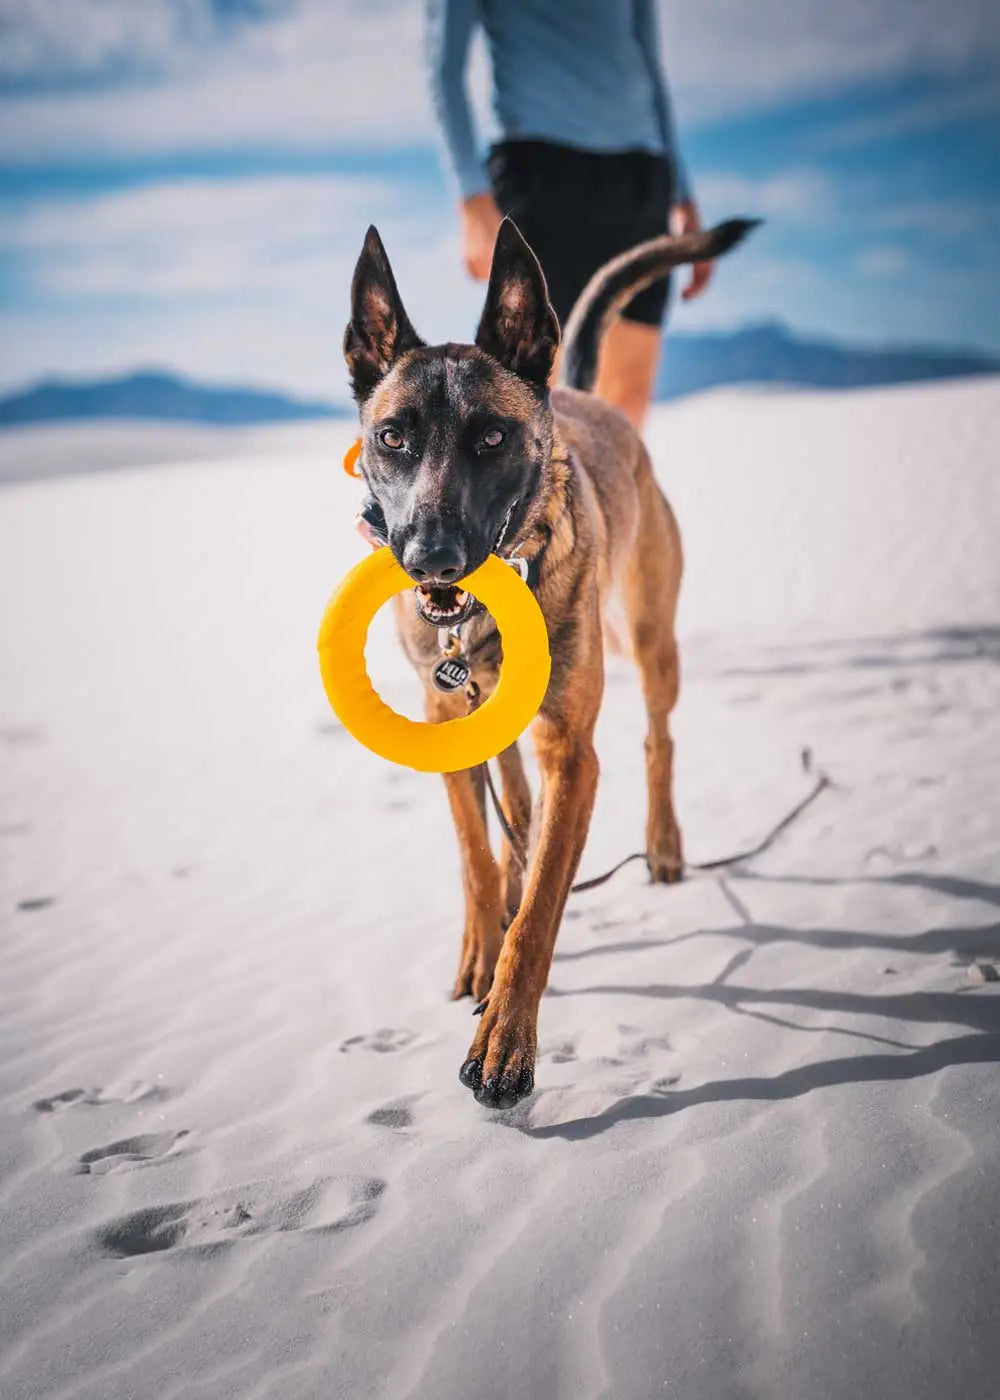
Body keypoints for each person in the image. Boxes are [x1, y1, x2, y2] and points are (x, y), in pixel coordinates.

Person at [425, 0, 714, 429]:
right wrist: (471, 200)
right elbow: (444, 69)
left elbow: (651, 69)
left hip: (641, 175)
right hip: (541, 171)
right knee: (539, 396)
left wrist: (684, 198)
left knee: (623, 411)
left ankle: (606, 500)